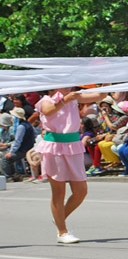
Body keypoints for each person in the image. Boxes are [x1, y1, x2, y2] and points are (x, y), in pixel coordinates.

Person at [33, 87, 106, 243]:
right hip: (54, 146)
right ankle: (62, 231)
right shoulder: (46, 100)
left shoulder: (74, 97)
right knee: (59, 192)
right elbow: (48, 111)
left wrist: (106, 80)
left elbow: (100, 95)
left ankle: (60, 218)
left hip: (73, 145)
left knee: (81, 191)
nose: (69, 86)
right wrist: (65, 100)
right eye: (64, 83)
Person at [2, 107, 35, 181]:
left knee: (5, 159)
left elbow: (17, 141)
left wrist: (11, 152)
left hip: (23, 150)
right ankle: (14, 174)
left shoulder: (21, 127)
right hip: (29, 147)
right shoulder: (28, 124)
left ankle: (8, 177)